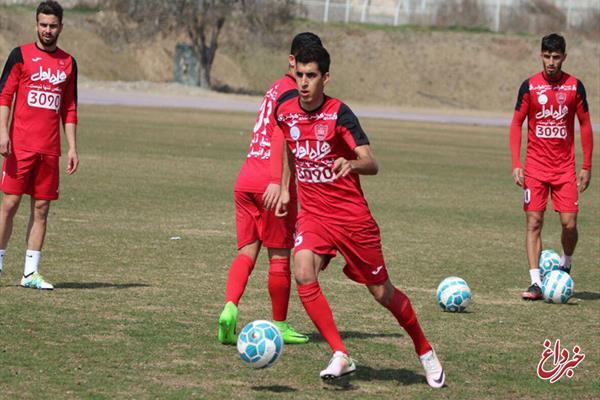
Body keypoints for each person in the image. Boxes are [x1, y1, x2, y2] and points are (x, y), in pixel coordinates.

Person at [273, 45, 445, 388]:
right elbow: (291, 151)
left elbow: (372, 161)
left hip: (352, 219)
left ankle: (425, 351)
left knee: (382, 293)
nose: (303, 83)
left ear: (325, 78)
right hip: (314, 216)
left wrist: (351, 163)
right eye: (300, 75)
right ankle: (340, 353)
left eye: (311, 76)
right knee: (303, 270)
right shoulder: (285, 110)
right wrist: (285, 188)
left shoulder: (340, 114)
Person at [217, 33, 323, 345]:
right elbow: (283, 135)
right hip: (271, 180)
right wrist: (281, 184)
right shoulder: (294, 94)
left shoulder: (275, 87)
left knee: (247, 252)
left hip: (246, 175)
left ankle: (230, 307)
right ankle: (279, 325)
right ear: (293, 61)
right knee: (279, 256)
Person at [0, 0, 79, 290]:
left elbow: (69, 108)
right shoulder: (19, 55)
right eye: (43, 25)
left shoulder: (68, 63)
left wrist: (72, 147)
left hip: (49, 150)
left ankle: (30, 273)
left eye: (53, 25)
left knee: (42, 209)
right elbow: (4, 97)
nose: (48, 30)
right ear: (36, 24)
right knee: (9, 204)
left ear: (61, 27)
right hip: (20, 146)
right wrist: (2, 133)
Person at [510, 33, 593, 300]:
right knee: (534, 222)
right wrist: (516, 163)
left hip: (564, 169)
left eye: (556, 57)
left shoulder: (575, 87)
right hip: (535, 167)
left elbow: (586, 126)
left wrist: (586, 165)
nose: (551, 62)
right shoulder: (530, 86)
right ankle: (535, 282)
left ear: (564, 57)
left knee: (569, 225)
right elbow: (516, 124)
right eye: (547, 56)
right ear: (541, 55)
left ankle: (565, 264)